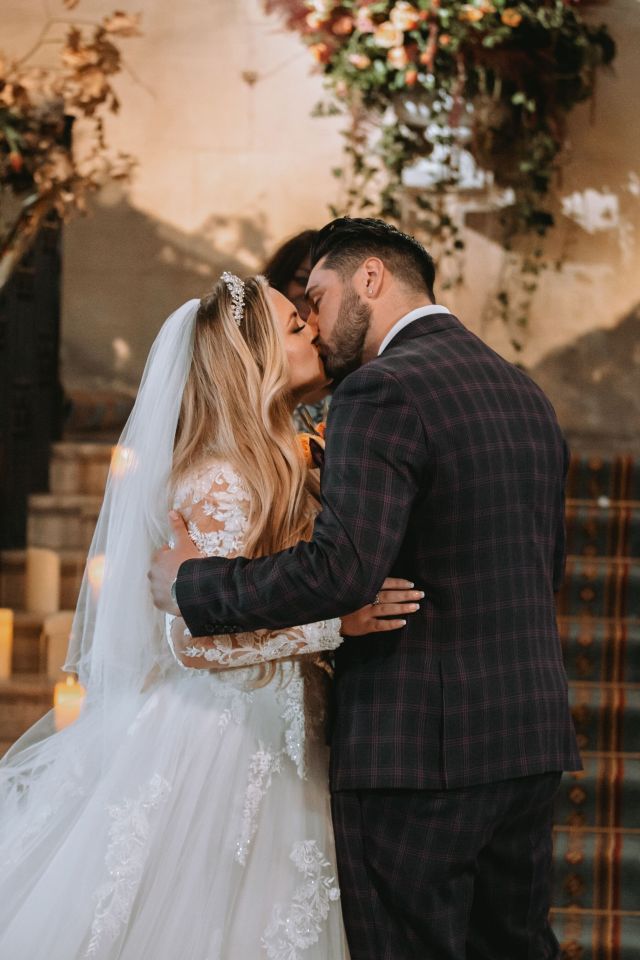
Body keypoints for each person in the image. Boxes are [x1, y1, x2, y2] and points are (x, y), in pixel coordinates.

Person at [149, 218, 583, 960]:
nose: (314, 321)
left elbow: (341, 571)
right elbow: (549, 566)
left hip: (419, 750)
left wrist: (197, 587)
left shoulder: (383, 389)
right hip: (529, 740)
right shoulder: (524, 391)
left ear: (371, 278)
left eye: (314, 297)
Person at [0, 271, 420, 959]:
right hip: (226, 739)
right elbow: (197, 642)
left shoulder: (288, 456)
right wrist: (335, 625)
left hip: (289, 723)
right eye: (293, 326)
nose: (312, 330)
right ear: (250, 359)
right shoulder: (221, 478)